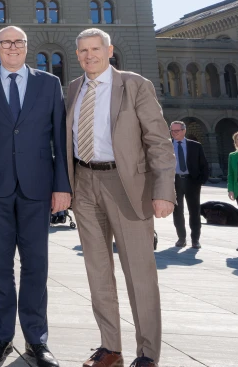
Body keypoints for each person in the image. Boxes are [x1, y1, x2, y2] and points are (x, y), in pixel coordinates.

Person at [66, 28, 175, 367]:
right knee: (97, 271)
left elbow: (158, 141)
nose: (89, 56)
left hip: (127, 186)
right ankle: (110, 348)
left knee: (139, 272)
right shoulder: (73, 89)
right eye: (83, 50)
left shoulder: (134, 85)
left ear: (109, 50)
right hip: (84, 183)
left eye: (95, 49)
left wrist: (163, 192)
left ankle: (147, 353)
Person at [0, 27, 69, 367]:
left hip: (38, 188)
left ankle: (37, 340)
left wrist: (62, 186)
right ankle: (1, 337)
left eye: (18, 42)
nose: (12, 48)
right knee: (0, 267)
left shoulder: (49, 84)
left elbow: (59, 138)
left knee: (36, 265)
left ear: (27, 48)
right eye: (5, 42)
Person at [169, 121, 208, 248]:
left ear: (184, 131)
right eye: (172, 131)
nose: (174, 133)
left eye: (177, 131)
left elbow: (203, 164)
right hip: (174, 181)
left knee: (194, 211)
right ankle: (181, 238)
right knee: (177, 211)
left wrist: (200, 181)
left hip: (192, 181)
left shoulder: (195, 146)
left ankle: (195, 239)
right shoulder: (166, 145)